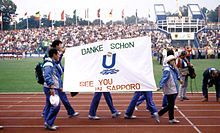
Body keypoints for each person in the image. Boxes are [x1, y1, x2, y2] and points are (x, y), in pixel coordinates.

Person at [42, 40, 79, 118]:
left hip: (56, 78)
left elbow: (58, 63)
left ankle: (45, 113)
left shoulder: (53, 52)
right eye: (60, 45)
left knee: (51, 99)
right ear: (56, 45)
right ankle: (70, 112)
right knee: (60, 97)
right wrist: (62, 53)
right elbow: (56, 63)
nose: (61, 47)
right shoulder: (51, 53)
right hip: (54, 79)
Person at [158, 55, 182, 124]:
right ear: (169, 62)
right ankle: (159, 113)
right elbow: (164, 78)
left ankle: (171, 118)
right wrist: (160, 86)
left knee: (171, 104)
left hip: (173, 88)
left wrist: (179, 79)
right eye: (172, 60)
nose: (174, 61)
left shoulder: (173, 68)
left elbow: (176, 74)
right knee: (171, 105)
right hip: (169, 88)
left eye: (174, 60)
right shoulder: (167, 69)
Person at [43, 48, 61, 130]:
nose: (59, 55)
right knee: (56, 105)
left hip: (51, 87)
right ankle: (49, 123)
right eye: (58, 54)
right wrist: (51, 87)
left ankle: (47, 122)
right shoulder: (48, 64)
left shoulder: (52, 62)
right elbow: (47, 76)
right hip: (50, 88)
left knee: (49, 105)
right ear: (54, 55)